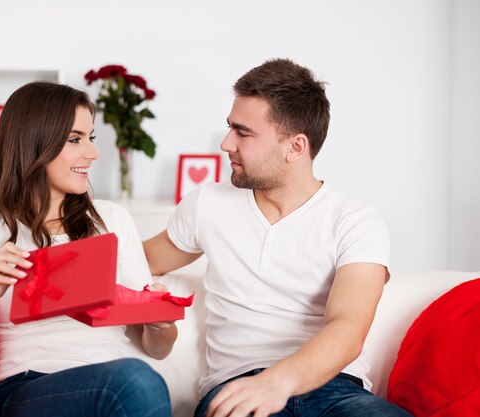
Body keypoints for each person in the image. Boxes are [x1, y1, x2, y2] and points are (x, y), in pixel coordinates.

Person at [143, 59, 412, 417]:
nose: (226, 144)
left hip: (337, 393)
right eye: (229, 129)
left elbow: (347, 327)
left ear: (296, 147)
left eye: (243, 133)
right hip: (236, 387)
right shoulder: (206, 204)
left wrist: (278, 382)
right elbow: (134, 261)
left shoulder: (356, 222)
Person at [0, 81, 176, 417]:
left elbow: (158, 350)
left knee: (135, 381)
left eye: (91, 138)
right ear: (35, 144)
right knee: (134, 381)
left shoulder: (112, 219)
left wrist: (159, 325)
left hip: (113, 384)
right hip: (25, 389)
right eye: (75, 139)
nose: (92, 154)